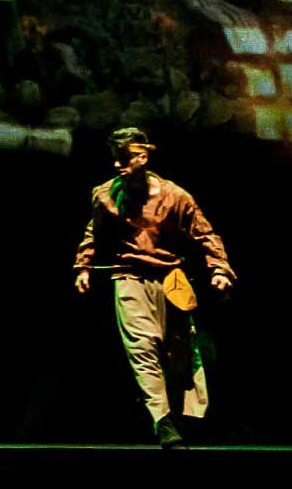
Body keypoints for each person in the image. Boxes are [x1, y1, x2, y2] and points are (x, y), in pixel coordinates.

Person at [73, 127, 234, 448]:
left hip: (171, 279)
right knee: (142, 346)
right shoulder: (105, 195)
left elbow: (204, 233)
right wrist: (83, 266)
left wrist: (219, 268)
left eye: (124, 158)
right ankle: (162, 421)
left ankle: (177, 415)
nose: (117, 165)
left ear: (142, 157)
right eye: (115, 158)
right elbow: (94, 231)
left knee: (178, 352)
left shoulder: (176, 197)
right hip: (129, 278)